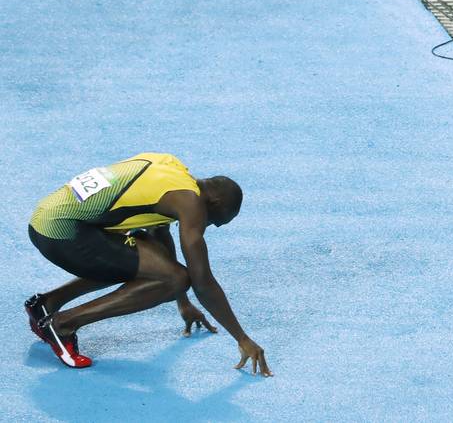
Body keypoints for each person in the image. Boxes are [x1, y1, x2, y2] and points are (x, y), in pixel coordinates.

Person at [25, 152, 270, 375]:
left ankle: (47, 304)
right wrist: (242, 338)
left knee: (154, 263)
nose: (210, 226)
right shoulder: (190, 204)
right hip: (61, 234)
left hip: (44, 217)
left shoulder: (171, 169)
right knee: (175, 278)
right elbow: (202, 282)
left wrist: (182, 303)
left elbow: (159, 239)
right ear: (214, 203)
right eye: (217, 221)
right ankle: (62, 325)